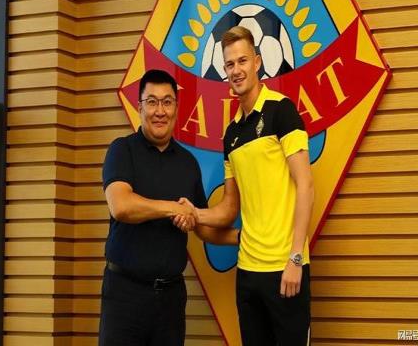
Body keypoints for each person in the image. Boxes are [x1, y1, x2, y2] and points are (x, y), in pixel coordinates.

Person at [181, 26, 314, 345]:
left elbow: (306, 185)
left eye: (242, 61)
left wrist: (296, 258)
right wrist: (193, 214)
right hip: (247, 271)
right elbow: (229, 207)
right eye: (230, 64)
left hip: (285, 268)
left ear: (257, 62)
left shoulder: (282, 110)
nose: (236, 70)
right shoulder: (231, 135)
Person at [98, 69, 206, 346]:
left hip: (170, 299)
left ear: (176, 108)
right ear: (140, 107)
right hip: (124, 294)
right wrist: (173, 209)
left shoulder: (188, 163)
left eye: (167, 102)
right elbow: (121, 206)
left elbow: (201, 222)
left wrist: (246, 238)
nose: (160, 111)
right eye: (152, 102)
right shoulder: (122, 150)